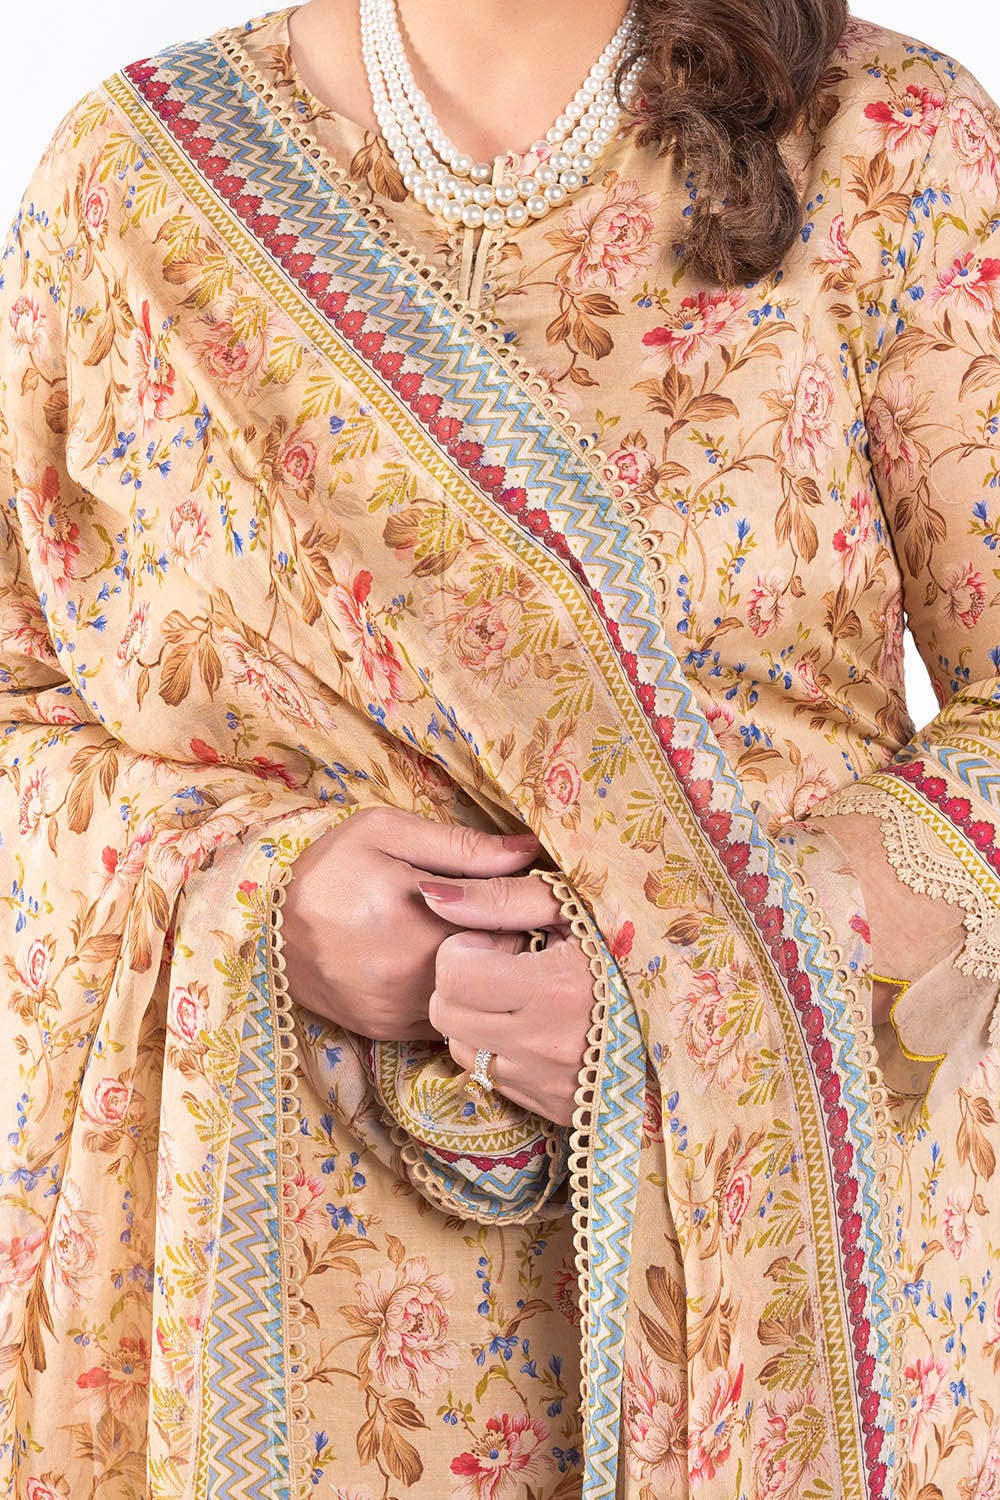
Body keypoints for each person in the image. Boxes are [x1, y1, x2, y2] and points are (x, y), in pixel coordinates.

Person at [1, 0, 999, 1493]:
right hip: (266, 1317)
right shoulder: (131, 185)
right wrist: (262, 896)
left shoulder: (887, 147)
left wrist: (706, 978)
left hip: (759, 1306)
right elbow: (24, 715)